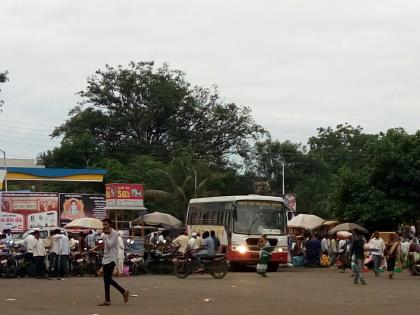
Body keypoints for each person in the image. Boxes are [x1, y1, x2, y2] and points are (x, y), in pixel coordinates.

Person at [97, 218, 129, 306]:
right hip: (105, 258)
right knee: (106, 280)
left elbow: (110, 244)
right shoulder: (105, 234)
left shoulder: (114, 233)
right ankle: (107, 300)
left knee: (108, 279)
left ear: (110, 225)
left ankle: (123, 291)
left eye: (106, 224)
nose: (104, 226)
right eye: (103, 225)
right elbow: (104, 245)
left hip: (112, 259)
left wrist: (105, 237)